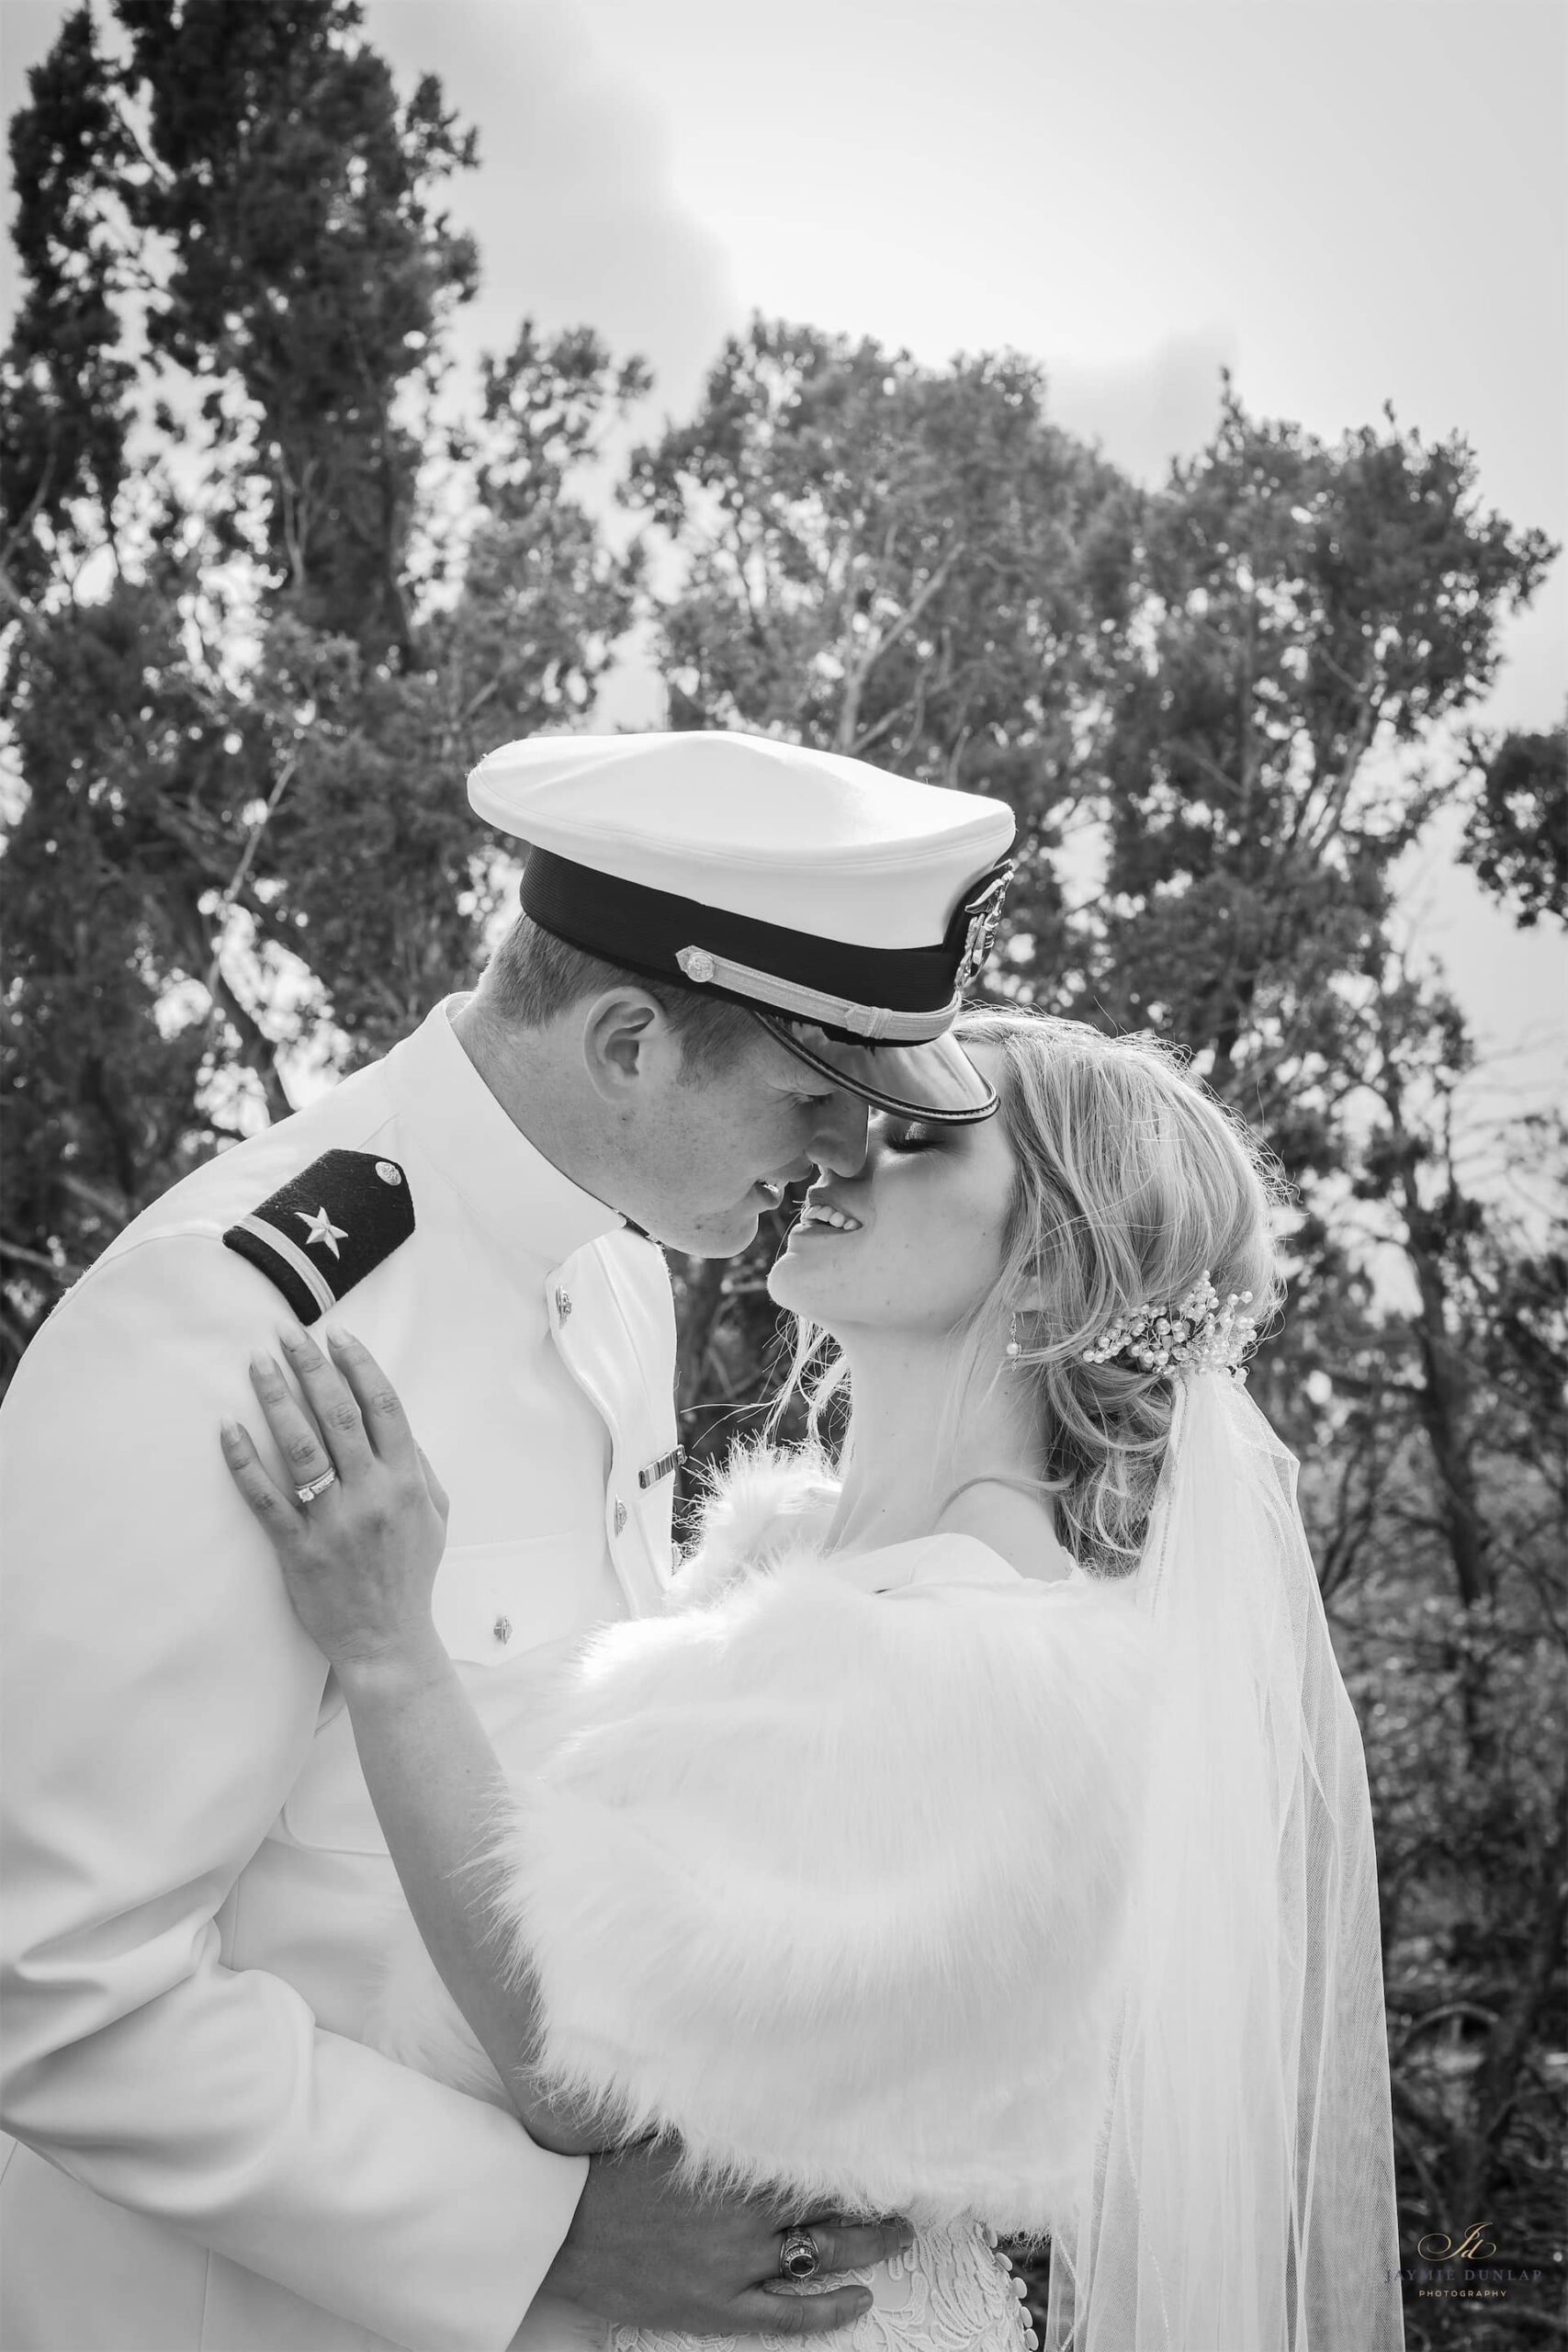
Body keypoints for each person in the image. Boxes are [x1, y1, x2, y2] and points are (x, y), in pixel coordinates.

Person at [0, 729, 1020, 2352]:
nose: (844, 1156)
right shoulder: (238, 1328)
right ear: (628, 1045)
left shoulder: (616, 1281)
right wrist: (547, 2237)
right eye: (814, 1098)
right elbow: (52, 1987)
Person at [219, 1011, 1407, 2351]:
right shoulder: (785, 1571)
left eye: (919, 1139)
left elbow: (577, 2070)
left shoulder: (994, 1668)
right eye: (854, 1112)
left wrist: (388, 1648)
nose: (837, 1151)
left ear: (1045, 1271)